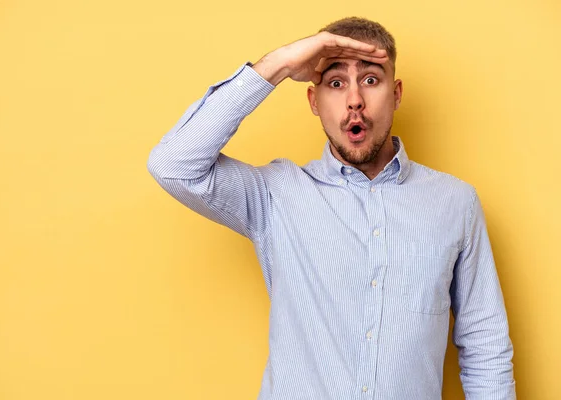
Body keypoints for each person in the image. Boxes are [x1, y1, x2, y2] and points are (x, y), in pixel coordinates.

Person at [147, 16, 516, 400]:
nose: (354, 99)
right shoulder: (277, 195)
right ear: (313, 101)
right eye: (335, 83)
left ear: (397, 94)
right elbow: (173, 165)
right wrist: (278, 65)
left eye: (371, 80)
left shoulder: (455, 203)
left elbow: (485, 348)